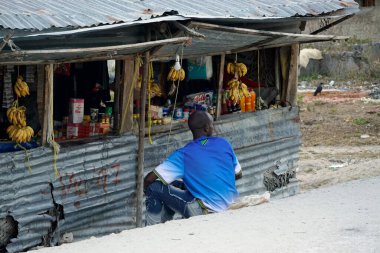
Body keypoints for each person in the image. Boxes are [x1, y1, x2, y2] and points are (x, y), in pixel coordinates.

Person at [144, 111, 242, 225]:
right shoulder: (224, 143)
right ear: (206, 128)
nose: (213, 128)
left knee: (154, 187)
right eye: (212, 125)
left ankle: (152, 228)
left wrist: (147, 191)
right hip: (232, 206)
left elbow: (148, 179)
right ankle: (164, 224)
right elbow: (238, 174)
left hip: (204, 212)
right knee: (176, 184)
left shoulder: (184, 154)